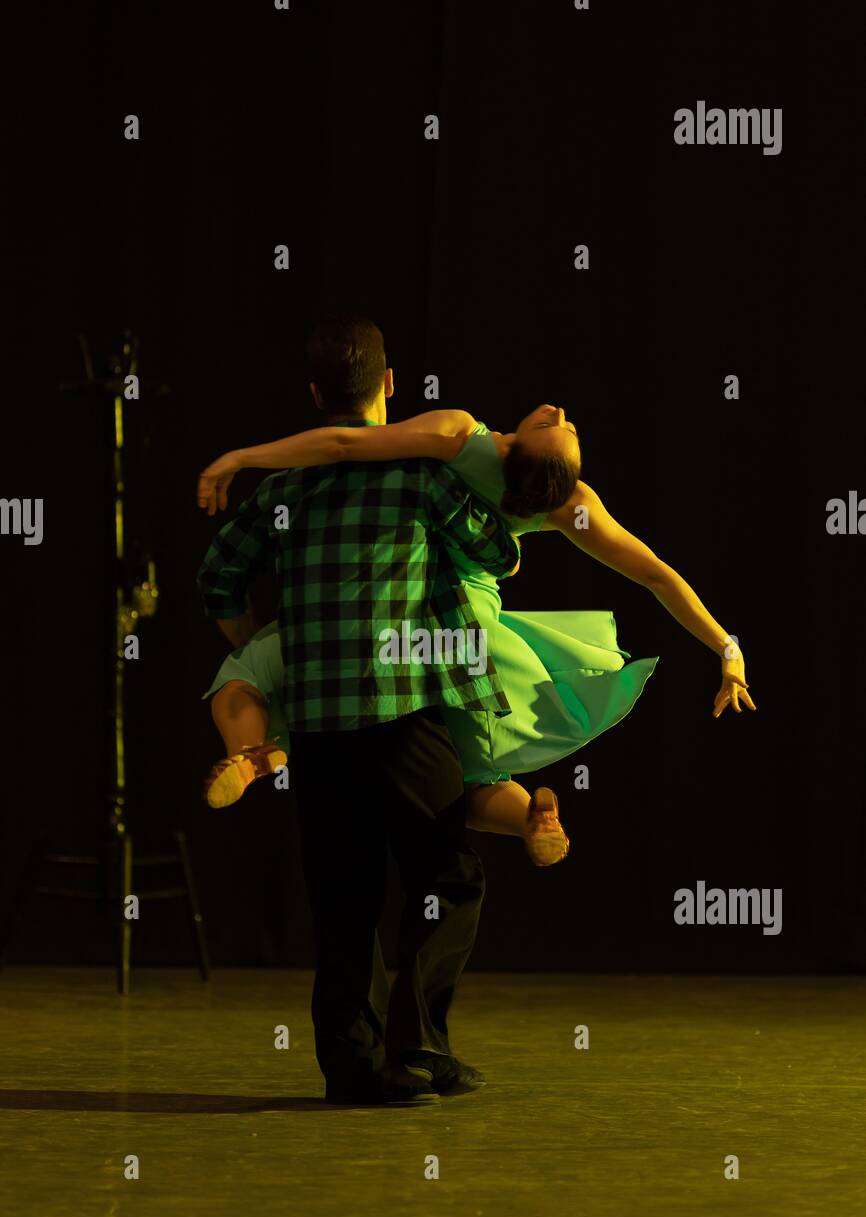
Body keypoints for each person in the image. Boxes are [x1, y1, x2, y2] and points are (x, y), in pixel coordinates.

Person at [197, 315, 557, 1109]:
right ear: (390, 386)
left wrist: (265, 644)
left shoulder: (281, 490)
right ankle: (420, 1048)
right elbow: (499, 552)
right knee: (448, 874)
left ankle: (356, 1070)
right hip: (403, 707)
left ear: (316, 394)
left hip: (321, 723)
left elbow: (218, 579)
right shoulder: (422, 479)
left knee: (343, 896)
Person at [198, 404, 756, 843]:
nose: (561, 414)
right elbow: (656, 575)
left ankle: (258, 753)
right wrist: (726, 647)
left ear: (515, 448)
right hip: (472, 639)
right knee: (462, 777)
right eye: (566, 427)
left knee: (265, 676)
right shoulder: (566, 505)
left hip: (403, 604)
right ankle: (529, 816)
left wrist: (242, 458)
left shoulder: (462, 437)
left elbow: (347, 442)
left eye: (554, 427)